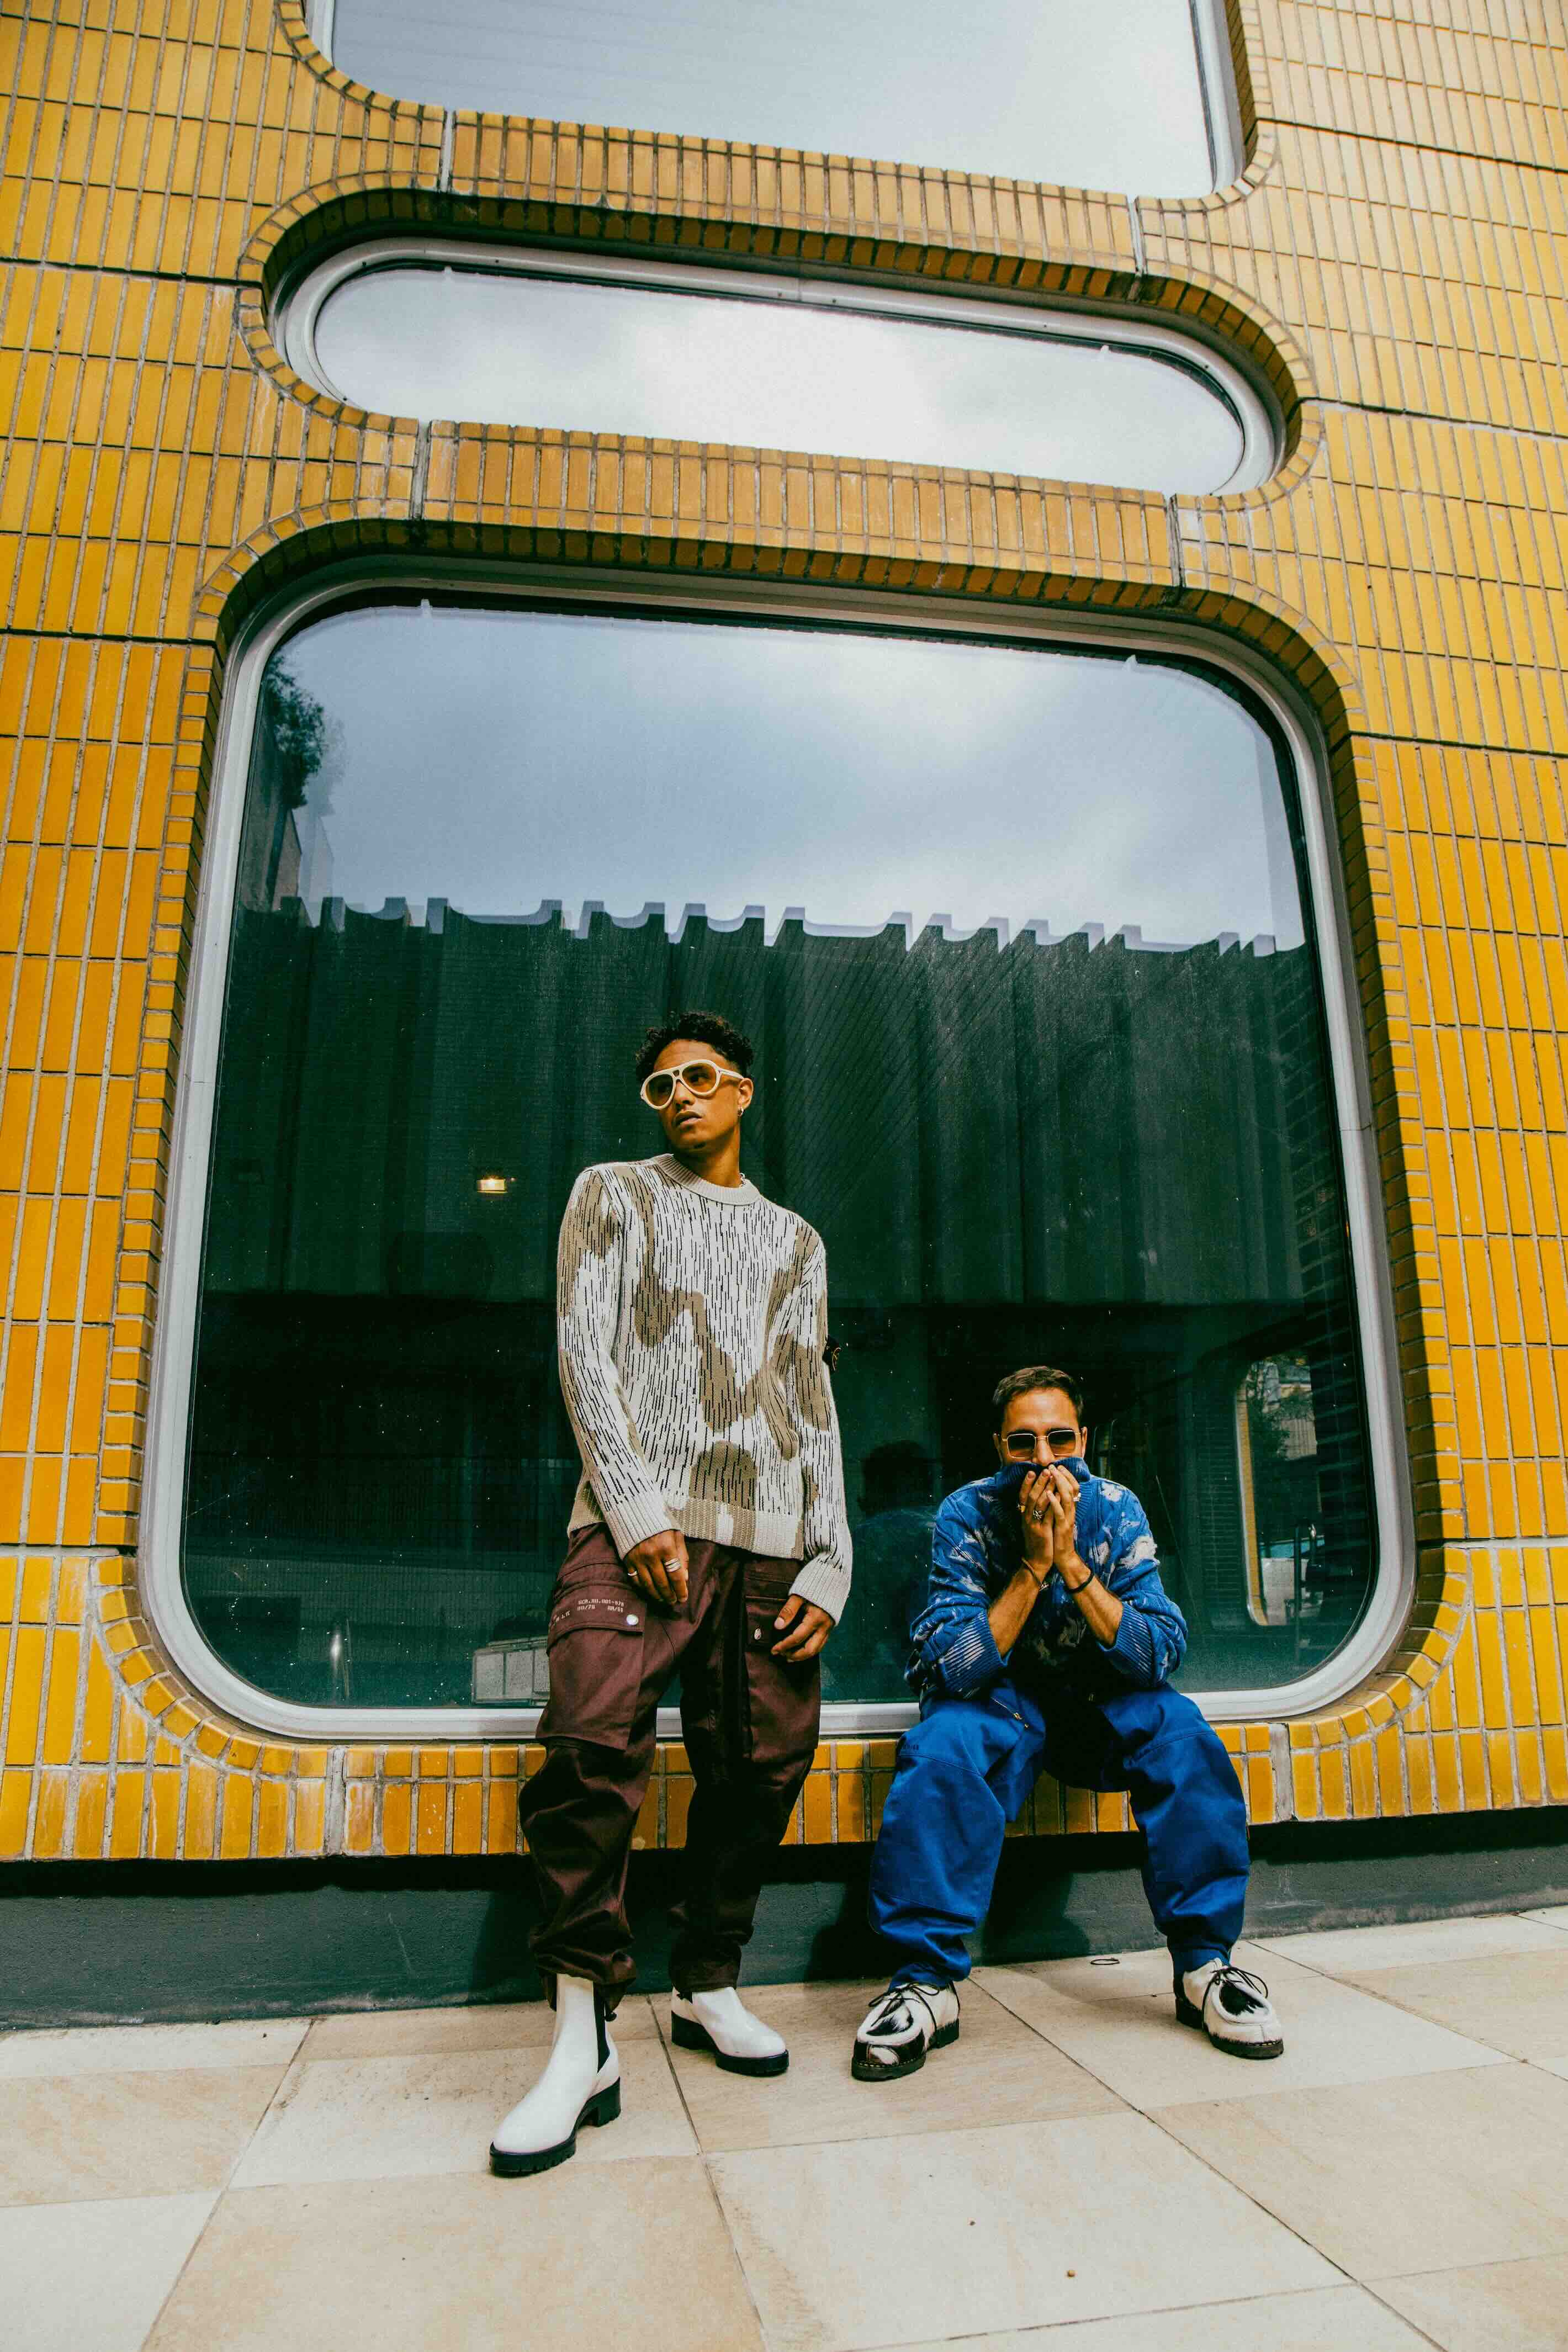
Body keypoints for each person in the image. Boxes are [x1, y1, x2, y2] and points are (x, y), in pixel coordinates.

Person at [491, 1010, 851, 2176]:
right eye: (659, 1086)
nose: (680, 1096)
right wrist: (639, 1508)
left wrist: (832, 1556)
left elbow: (811, 1400)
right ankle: (581, 2032)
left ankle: (708, 1978)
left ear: (742, 1089)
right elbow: (584, 1354)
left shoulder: (797, 1241)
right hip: (633, 1525)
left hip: (772, 1538)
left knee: (762, 1762)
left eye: (698, 1077)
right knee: (589, 1746)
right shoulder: (612, 1193)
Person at [852, 1365, 1282, 2080]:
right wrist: (1031, 1568)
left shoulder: (1116, 1508)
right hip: (1003, 1709)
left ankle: (1205, 1966)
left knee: (1180, 1731)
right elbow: (953, 1668)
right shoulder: (965, 1514)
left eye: (1060, 1440)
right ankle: (925, 1983)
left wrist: (1073, 1564)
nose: (1044, 1461)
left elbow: (1158, 1652)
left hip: (1098, 1709)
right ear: (999, 1447)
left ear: (1084, 1438)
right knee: (942, 1745)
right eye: (1023, 1444)